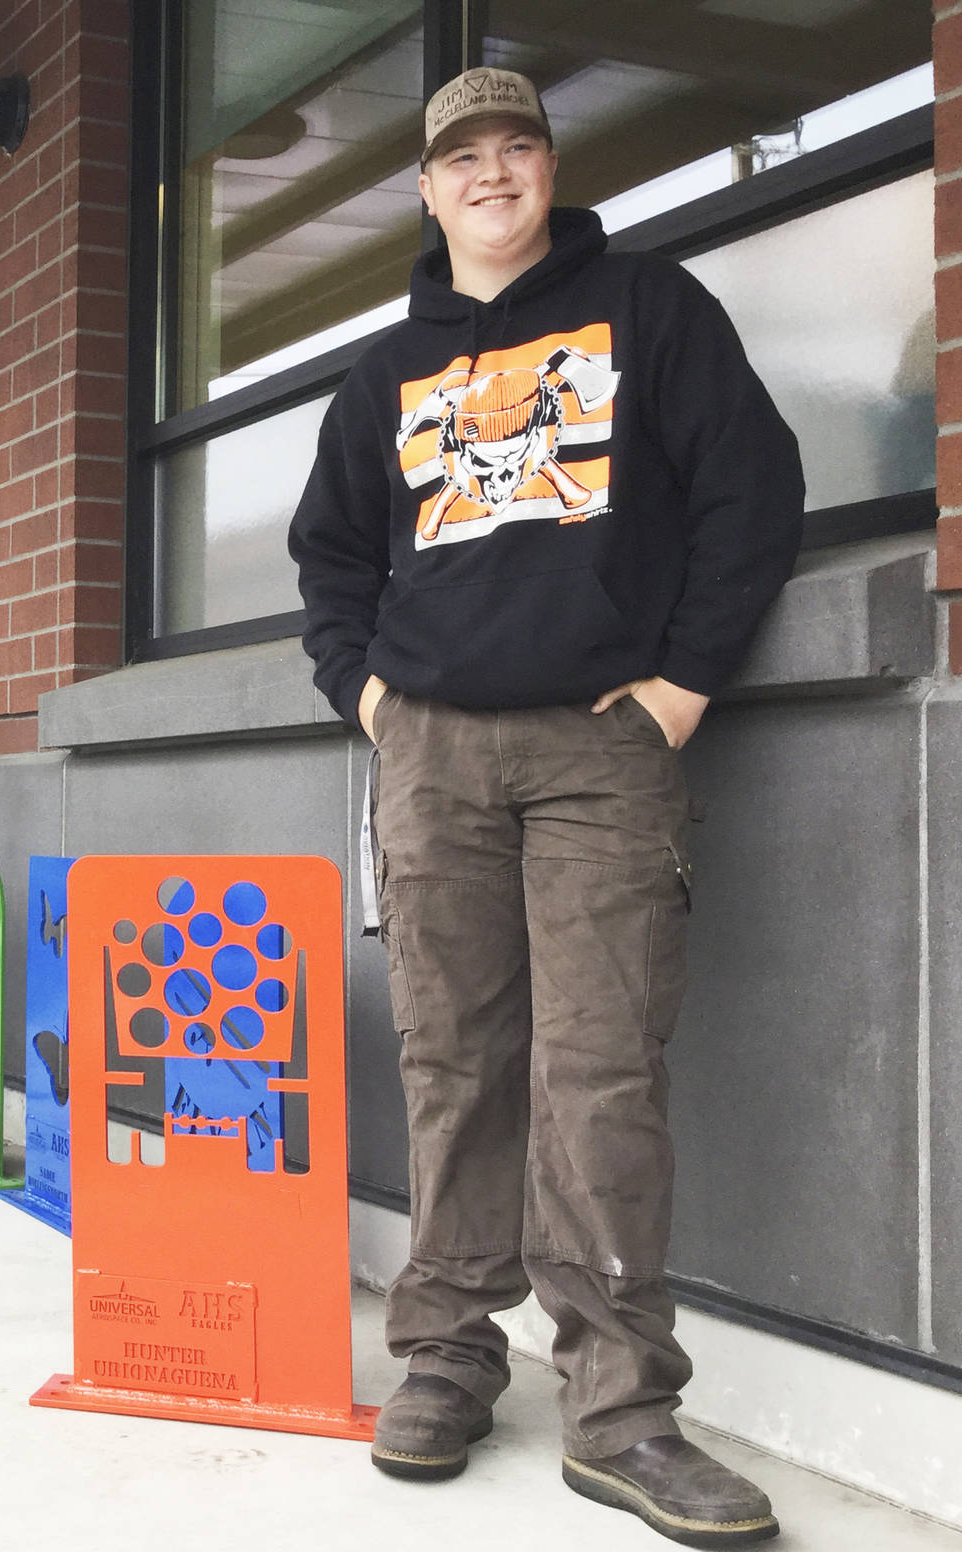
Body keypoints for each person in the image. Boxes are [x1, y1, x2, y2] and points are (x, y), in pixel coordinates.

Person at [288, 67, 803, 1546]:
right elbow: (329, 557)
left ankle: (622, 1411)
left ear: (548, 166)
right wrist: (369, 698)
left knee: (600, 1074)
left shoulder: (648, 310)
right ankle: (447, 1357)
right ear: (430, 189)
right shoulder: (383, 369)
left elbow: (752, 490)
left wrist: (685, 684)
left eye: (517, 147)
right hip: (432, 754)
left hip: (600, 748)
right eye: (464, 157)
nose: (492, 173)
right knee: (454, 1062)